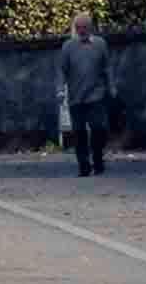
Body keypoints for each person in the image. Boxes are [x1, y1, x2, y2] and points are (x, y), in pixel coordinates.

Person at [56, 10, 113, 176]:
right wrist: (60, 89)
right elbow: (62, 70)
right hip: (76, 96)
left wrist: (112, 86)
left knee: (98, 128)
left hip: (96, 95)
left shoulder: (100, 44)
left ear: (90, 27)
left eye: (85, 27)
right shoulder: (68, 47)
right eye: (78, 27)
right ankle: (84, 166)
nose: (81, 30)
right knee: (79, 132)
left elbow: (107, 67)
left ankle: (97, 158)